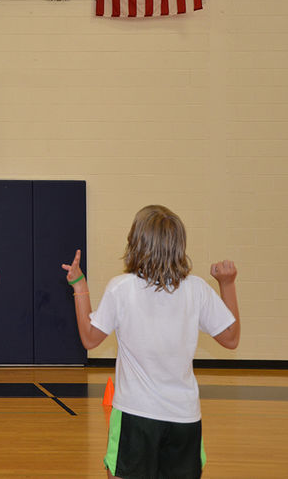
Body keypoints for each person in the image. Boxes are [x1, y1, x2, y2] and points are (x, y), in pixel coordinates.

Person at [61, 204, 241, 479]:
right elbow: (231, 338)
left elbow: (89, 339)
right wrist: (227, 284)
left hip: (135, 415)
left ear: (135, 243)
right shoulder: (197, 289)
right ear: (179, 245)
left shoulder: (121, 287)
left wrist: (79, 286)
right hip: (184, 418)